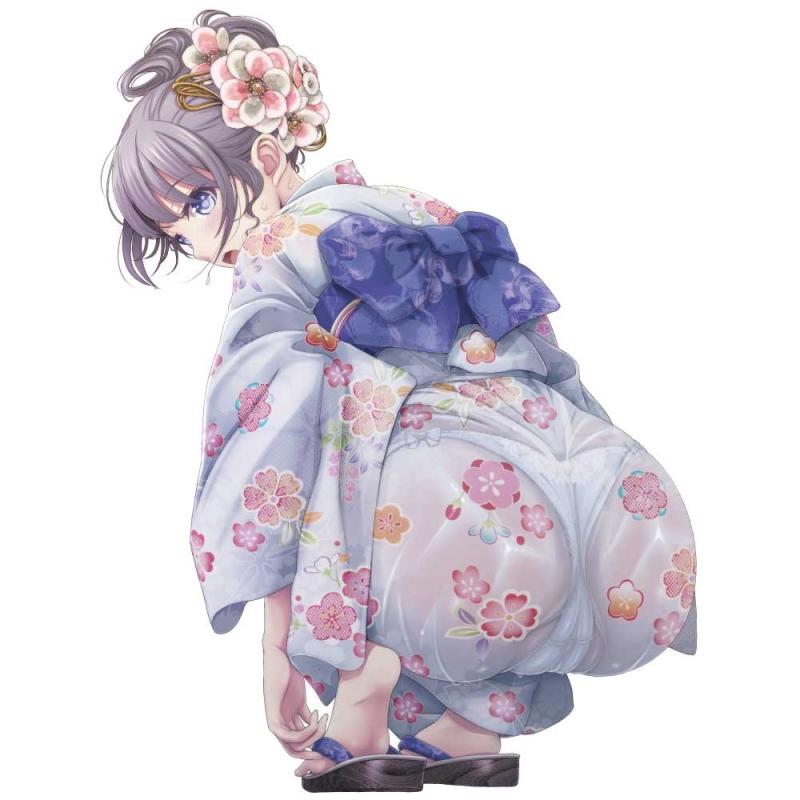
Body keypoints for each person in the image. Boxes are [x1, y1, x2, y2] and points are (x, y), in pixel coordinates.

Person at [107, 10, 697, 792]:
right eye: (176, 232)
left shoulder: (272, 250)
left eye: (197, 204)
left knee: (327, 433)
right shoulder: (407, 205)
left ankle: (362, 694)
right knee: (375, 417)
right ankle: (469, 730)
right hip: (552, 516)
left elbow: (260, 439)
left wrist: (276, 649)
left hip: (418, 528)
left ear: (265, 156)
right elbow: (532, 341)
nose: (197, 241)